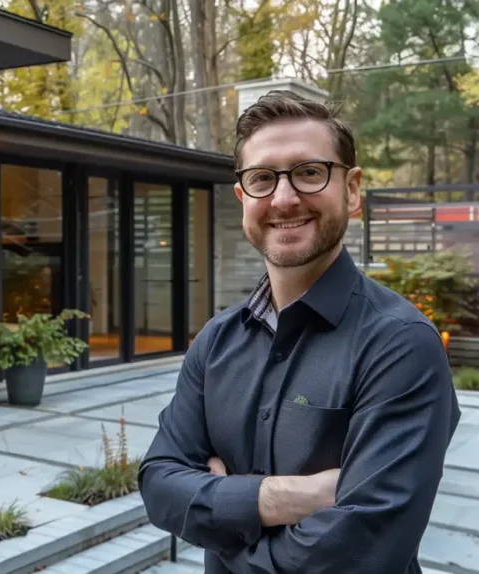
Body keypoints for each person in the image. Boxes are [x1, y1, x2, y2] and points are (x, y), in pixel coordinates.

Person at [138, 90, 461, 573]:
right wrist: (293, 496)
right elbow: (160, 485)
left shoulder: (400, 345)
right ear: (242, 197)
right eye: (263, 178)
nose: (284, 198)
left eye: (309, 172)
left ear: (351, 191)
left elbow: (360, 552)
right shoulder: (215, 341)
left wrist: (222, 514)